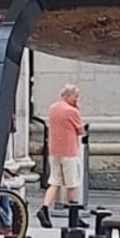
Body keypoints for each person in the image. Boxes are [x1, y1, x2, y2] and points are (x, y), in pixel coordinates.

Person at [40, 84, 86, 228]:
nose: (77, 99)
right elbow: (81, 131)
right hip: (69, 151)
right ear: (69, 95)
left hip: (54, 150)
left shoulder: (52, 108)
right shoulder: (72, 111)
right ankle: (73, 215)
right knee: (71, 184)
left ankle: (44, 208)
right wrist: (77, 110)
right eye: (75, 96)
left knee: (55, 181)